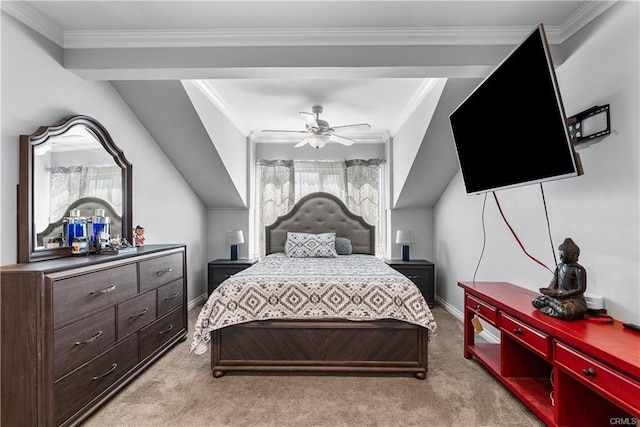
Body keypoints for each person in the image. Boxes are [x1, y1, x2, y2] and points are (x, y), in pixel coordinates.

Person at [532, 238, 587, 320]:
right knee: (535, 301)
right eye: (560, 254)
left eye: (563, 254)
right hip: (558, 298)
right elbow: (553, 284)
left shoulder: (578, 269)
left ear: (574, 255)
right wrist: (548, 291)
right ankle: (551, 302)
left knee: (566, 312)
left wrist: (566, 293)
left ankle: (549, 302)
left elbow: (581, 288)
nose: (560, 256)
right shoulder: (559, 267)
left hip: (573, 300)